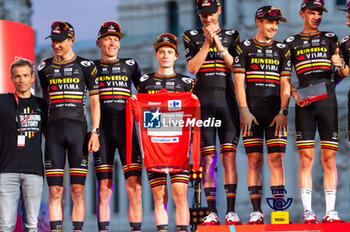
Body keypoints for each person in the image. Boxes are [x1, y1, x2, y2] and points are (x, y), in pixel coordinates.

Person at [284, 0, 349, 224]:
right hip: (305, 102)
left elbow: (344, 72)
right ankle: (308, 212)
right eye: (312, 12)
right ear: (302, 14)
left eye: (319, 13)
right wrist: (293, 94)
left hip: (328, 100)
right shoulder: (290, 42)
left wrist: (340, 65)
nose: (317, 17)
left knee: (329, 158)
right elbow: (284, 76)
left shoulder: (331, 38)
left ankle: (331, 212)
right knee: (305, 159)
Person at [183, 0, 241, 225]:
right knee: (208, 158)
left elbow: (236, 67)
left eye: (210, 13)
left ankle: (231, 211)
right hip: (204, 104)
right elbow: (192, 68)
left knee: (229, 158)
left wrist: (218, 43)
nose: (206, 18)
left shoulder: (232, 35)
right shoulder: (190, 36)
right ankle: (212, 211)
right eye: (202, 14)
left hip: (227, 102)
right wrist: (206, 45)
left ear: (219, 10)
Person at [38, 21, 100, 231]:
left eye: (61, 40)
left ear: (71, 40)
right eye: (54, 40)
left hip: (79, 132)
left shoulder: (87, 66)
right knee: (55, 191)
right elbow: (45, 100)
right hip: (54, 133)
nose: (56, 45)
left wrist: (96, 132)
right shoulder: (44, 67)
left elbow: (94, 102)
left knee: (77, 190)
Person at [234, 6, 291, 225]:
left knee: (277, 160)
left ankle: (278, 212)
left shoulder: (282, 49)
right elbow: (239, 82)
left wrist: (283, 111)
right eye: (270, 22)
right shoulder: (244, 47)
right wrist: (245, 111)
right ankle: (256, 213)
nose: (274, 27)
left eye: (276, 23)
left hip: (276, 113)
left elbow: (285, 82)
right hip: (252, 113)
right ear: (259, 22)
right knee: (254, 161)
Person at [136, 33, 194, 232]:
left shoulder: (187, 83)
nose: (165, 56)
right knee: (159, 195)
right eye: (161, 52)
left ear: (176, 56)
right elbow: (139, 113)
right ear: (156, 55)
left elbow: (192, 114)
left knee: (180, 194)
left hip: (178, 148)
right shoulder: (144, 82)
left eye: (169, 52)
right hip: (154, 148)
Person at [93, 21, 143, 232]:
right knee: (104, 189)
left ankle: (136, 229)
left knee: (135, 187)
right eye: (108, 39)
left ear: (120, 44)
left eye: (116, 39)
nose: (112, 43)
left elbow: (148, 92)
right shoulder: (91, 67)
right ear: (99, 42)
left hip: (127, 130)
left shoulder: (131, 64)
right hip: (102, 131)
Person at [0, 59, 47, 231]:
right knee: (5, 225)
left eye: (26, 76)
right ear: (11, 79)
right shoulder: (3, 101)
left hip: (34, 172)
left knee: (32, 226)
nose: (22, 80)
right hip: (6, 172)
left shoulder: (42, 105)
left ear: (32, 77)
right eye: (17, 76)